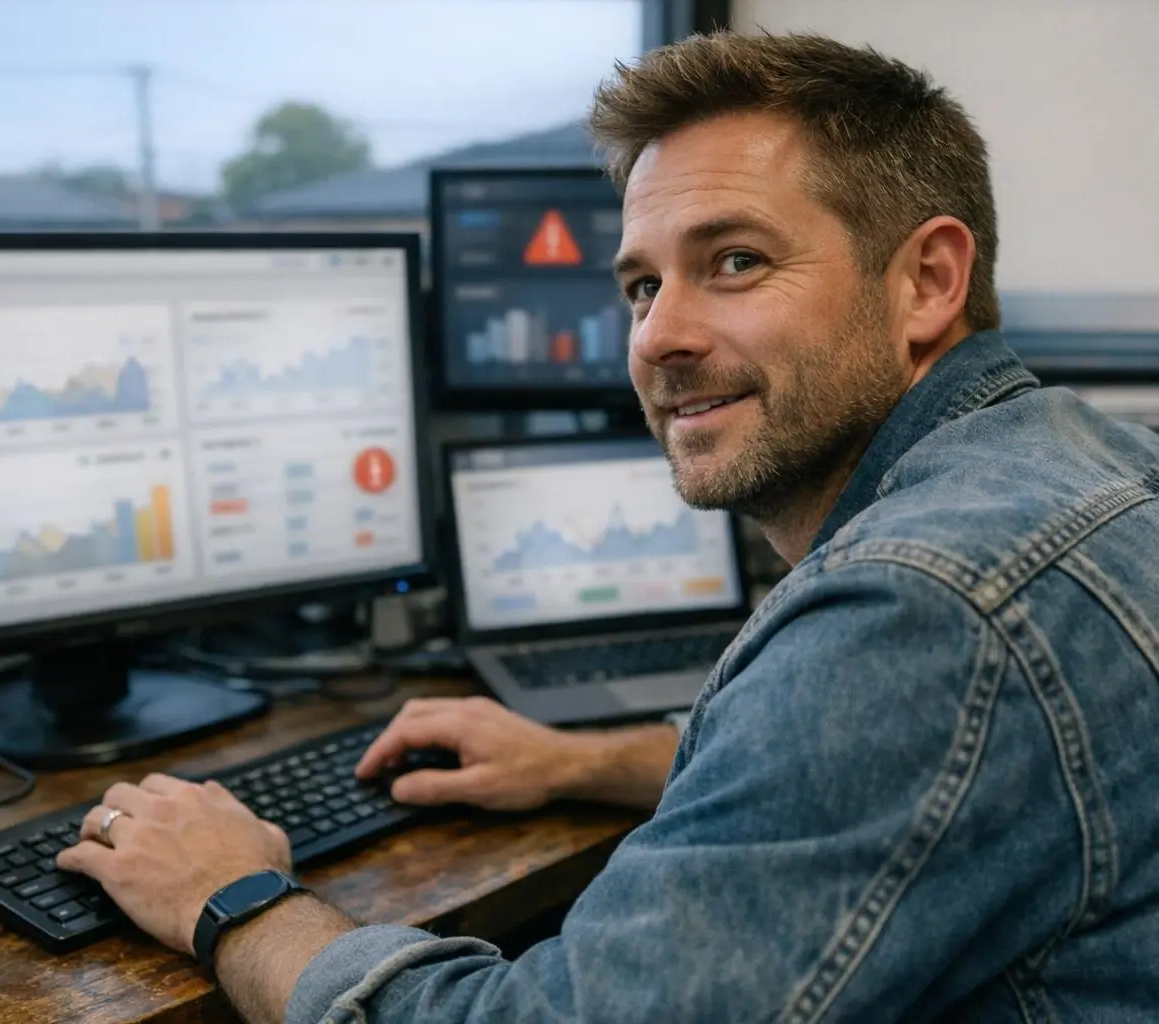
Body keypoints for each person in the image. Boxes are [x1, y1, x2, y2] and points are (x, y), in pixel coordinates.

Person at [56, 31, 1159, 1022]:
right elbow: (916, 776)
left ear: (927, 280)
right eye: (640, 286)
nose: (660, 336)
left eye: (735, 262)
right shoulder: (1081, 466)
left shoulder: (923, 605)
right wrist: (580, 759)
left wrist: (233, 896)